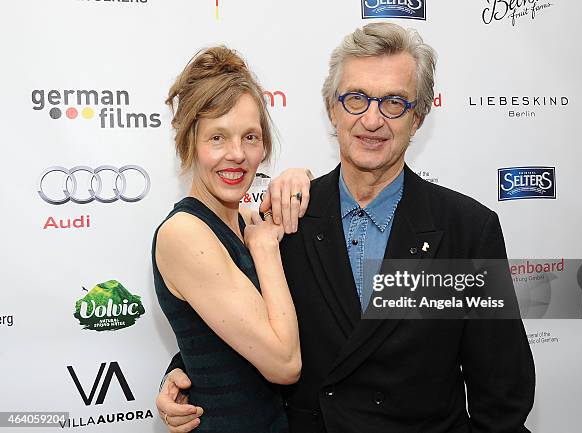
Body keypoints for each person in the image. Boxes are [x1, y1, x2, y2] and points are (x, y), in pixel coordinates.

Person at [157, 23, 536, 433]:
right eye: (355, 99)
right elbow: (242, 320)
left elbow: (502, 393)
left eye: (394, 102)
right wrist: (183, 371)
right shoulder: (285, 220)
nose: (372, 120)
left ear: (418, 116)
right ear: (332, 108)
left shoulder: (464, 231)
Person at [153, 46, 312, 433]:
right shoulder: (184, 233)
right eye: (218, 138)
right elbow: (285, 364)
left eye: (251, 137)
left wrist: (301, 176)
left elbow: (214, 338)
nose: (237, 155)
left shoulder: (245, 219)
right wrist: (264, 248)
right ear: (190, 142)